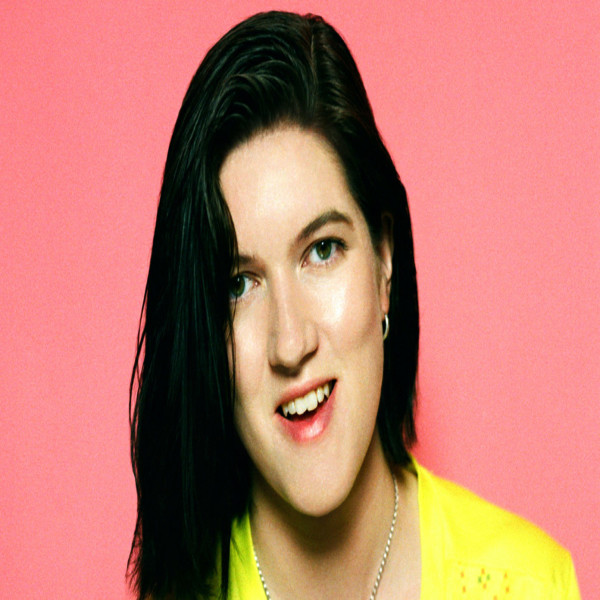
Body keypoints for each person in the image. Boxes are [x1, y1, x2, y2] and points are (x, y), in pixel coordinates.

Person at [127, 11, 580, 600]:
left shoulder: (531, 584)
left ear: (384, 263)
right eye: (238, 285)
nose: (291, 343)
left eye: (322, 250)